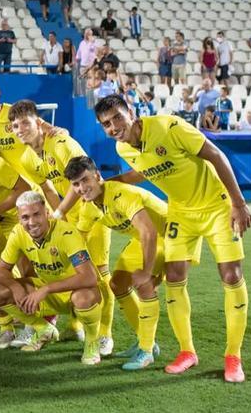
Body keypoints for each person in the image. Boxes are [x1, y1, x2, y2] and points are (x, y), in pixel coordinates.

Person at [92, 94, 251, 382]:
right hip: (181, 212)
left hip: (217, 207)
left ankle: (233, 356)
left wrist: (237, 203)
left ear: (131, 112)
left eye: (117, 117)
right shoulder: (123, 148)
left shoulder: (169, 127)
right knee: (174, 275)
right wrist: (105, 184)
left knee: (231, 275)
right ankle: (187, 352)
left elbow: (216, 155)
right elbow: (142, 172)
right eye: (106, 124)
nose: (114, 126)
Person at [8, 100, 113, 349]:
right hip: (69, 215)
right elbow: (47, 188)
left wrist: (62, 214)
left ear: (38, 122)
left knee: (99, 273)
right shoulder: (26, 157)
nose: (20, 128)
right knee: (71, 273)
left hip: (93, 210)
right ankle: (76, 325)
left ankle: (105, 335)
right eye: (15, 125)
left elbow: (85, 179)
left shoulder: (62, 143)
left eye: (25, 122)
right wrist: (61, 218)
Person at [65, 156, 166, 369]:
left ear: (97, 176)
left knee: (145, 285)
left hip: (170, 235)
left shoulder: (121, 193)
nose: (82, 188)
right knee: (117, 284)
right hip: (143, 238)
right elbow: (78, 238)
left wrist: (147, 271)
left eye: (85, 180)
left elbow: (149, 231)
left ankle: (146, 351)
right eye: (76, 184)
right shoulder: (89, 205)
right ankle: (145, 341)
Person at [0, 191, 104, 365]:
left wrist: (46, 289)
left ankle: (92, 341)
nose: (31, 222)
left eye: (36, 214)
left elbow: (90, 277)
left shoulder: (66, 232)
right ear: (19, 219)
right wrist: (16, 287)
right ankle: (43, 329)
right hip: (49, 294)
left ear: (47, 213)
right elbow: (0, 271)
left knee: (83, 297)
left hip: (75, 293)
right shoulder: (18, 233)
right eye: (25, 217)